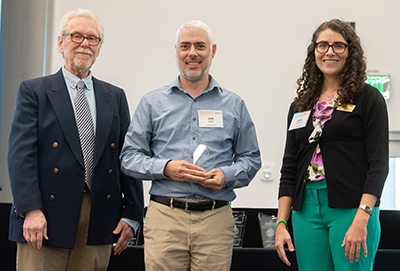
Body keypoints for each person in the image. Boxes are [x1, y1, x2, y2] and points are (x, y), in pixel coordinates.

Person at [8, 8, 144, 271]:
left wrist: (132, 213)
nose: (85, 43)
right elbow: (20, 156)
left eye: (92, 38)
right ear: (61, 42)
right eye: (76, 36)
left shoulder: (114, 96)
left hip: (98, 217)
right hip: (44, 217)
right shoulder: (34, 91)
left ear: (99, 48)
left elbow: (127, 157)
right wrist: (31, 210)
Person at [120, 20, 261, 271]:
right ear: (176, 51)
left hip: (215, 220)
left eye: (200, 46)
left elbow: (251, 159)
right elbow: (129, 157)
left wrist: (226, 176)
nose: (192, 53)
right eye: (185, 46)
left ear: (213, 51)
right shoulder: (152, 103)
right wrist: (166, 168)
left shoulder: (234, 105)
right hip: (165, 218)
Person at [275, 19, 389, 271]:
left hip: (352, 208)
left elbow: (378, 164)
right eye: (322, 45)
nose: (329, 52)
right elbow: (289, 166)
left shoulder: (368, 98)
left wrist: (363, 216)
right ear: (313, 51)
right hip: (305, 210)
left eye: (339, 46)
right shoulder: (300, 105)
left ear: (351, 52)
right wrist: (281, 223)